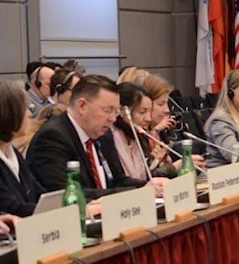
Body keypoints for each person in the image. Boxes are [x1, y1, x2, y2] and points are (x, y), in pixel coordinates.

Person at [27, 75, 149, 199]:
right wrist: (137, 192)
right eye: (108, 110)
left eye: (116, 112)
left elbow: (116, 180)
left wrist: (147, 187)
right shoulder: (52, 138)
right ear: (82, 106)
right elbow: (67, 194)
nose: (113, 118)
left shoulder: (102, 134)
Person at [0, 80, 44, 216]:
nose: (29, 114)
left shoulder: (12, 152)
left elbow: (39, 192)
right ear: (10, 114)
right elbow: (11, 207)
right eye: (24, 108)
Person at [110, 82, 163, 183]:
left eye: (150, 112)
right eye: (142, 112)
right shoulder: (109, 139)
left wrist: (159, 163)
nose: (148, 118)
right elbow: (120, 181)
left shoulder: (137, 138)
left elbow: (144, 177)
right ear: (122, 111)